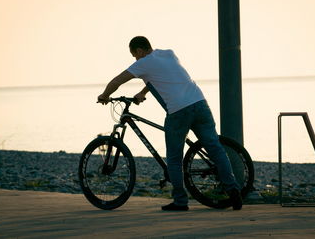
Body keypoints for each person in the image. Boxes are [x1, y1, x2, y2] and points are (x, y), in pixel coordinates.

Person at [97, 36, 242, 211]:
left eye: (134, 55)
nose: (135, 59)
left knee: (174, 159)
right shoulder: (168, 54)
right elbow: (163, 77)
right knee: (215, 149)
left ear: (139, 51)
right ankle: (234, 191)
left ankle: (180, 201)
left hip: (178, 111)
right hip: (199, 103)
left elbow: (117, 81)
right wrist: (143, 92)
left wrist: (104, 95)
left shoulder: (142, 63)